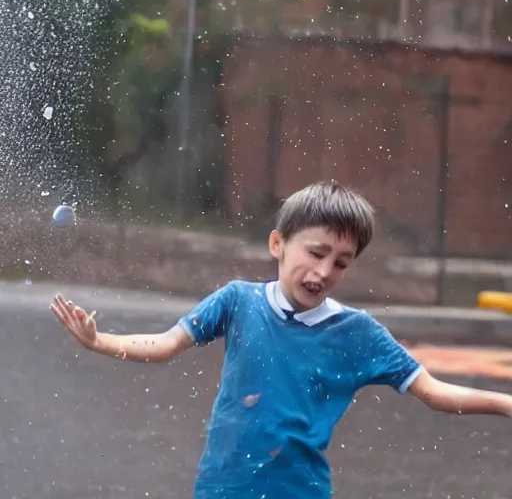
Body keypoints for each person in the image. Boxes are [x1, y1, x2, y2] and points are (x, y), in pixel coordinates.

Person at [50, 180, 512, 499]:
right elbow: (168, 344)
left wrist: (506, 404)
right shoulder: (237, 301)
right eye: (316, 253)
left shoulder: (358, 334)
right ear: (278, 244)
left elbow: (433, 392)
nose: (325, 272)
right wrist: (100, 340)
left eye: (342, 262)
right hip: (220, 488)